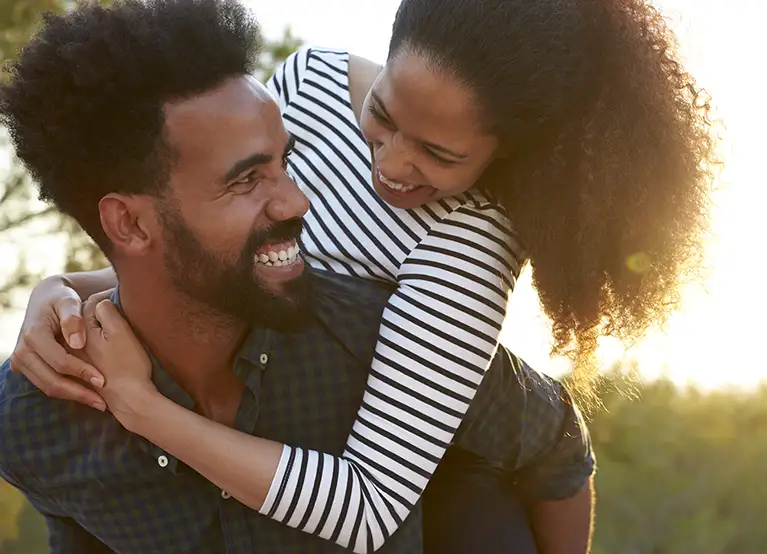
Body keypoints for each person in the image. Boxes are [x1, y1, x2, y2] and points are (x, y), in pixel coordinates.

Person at [9, 0, 716, 548]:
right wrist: (66, 294)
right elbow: (210, 242)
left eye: (438, 154)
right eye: (382, 113)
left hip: (421, 477)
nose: (392, 163)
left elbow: (370, 503)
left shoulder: (468, 241)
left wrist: (142, 408)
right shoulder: (311, 84)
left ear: (500, 155)